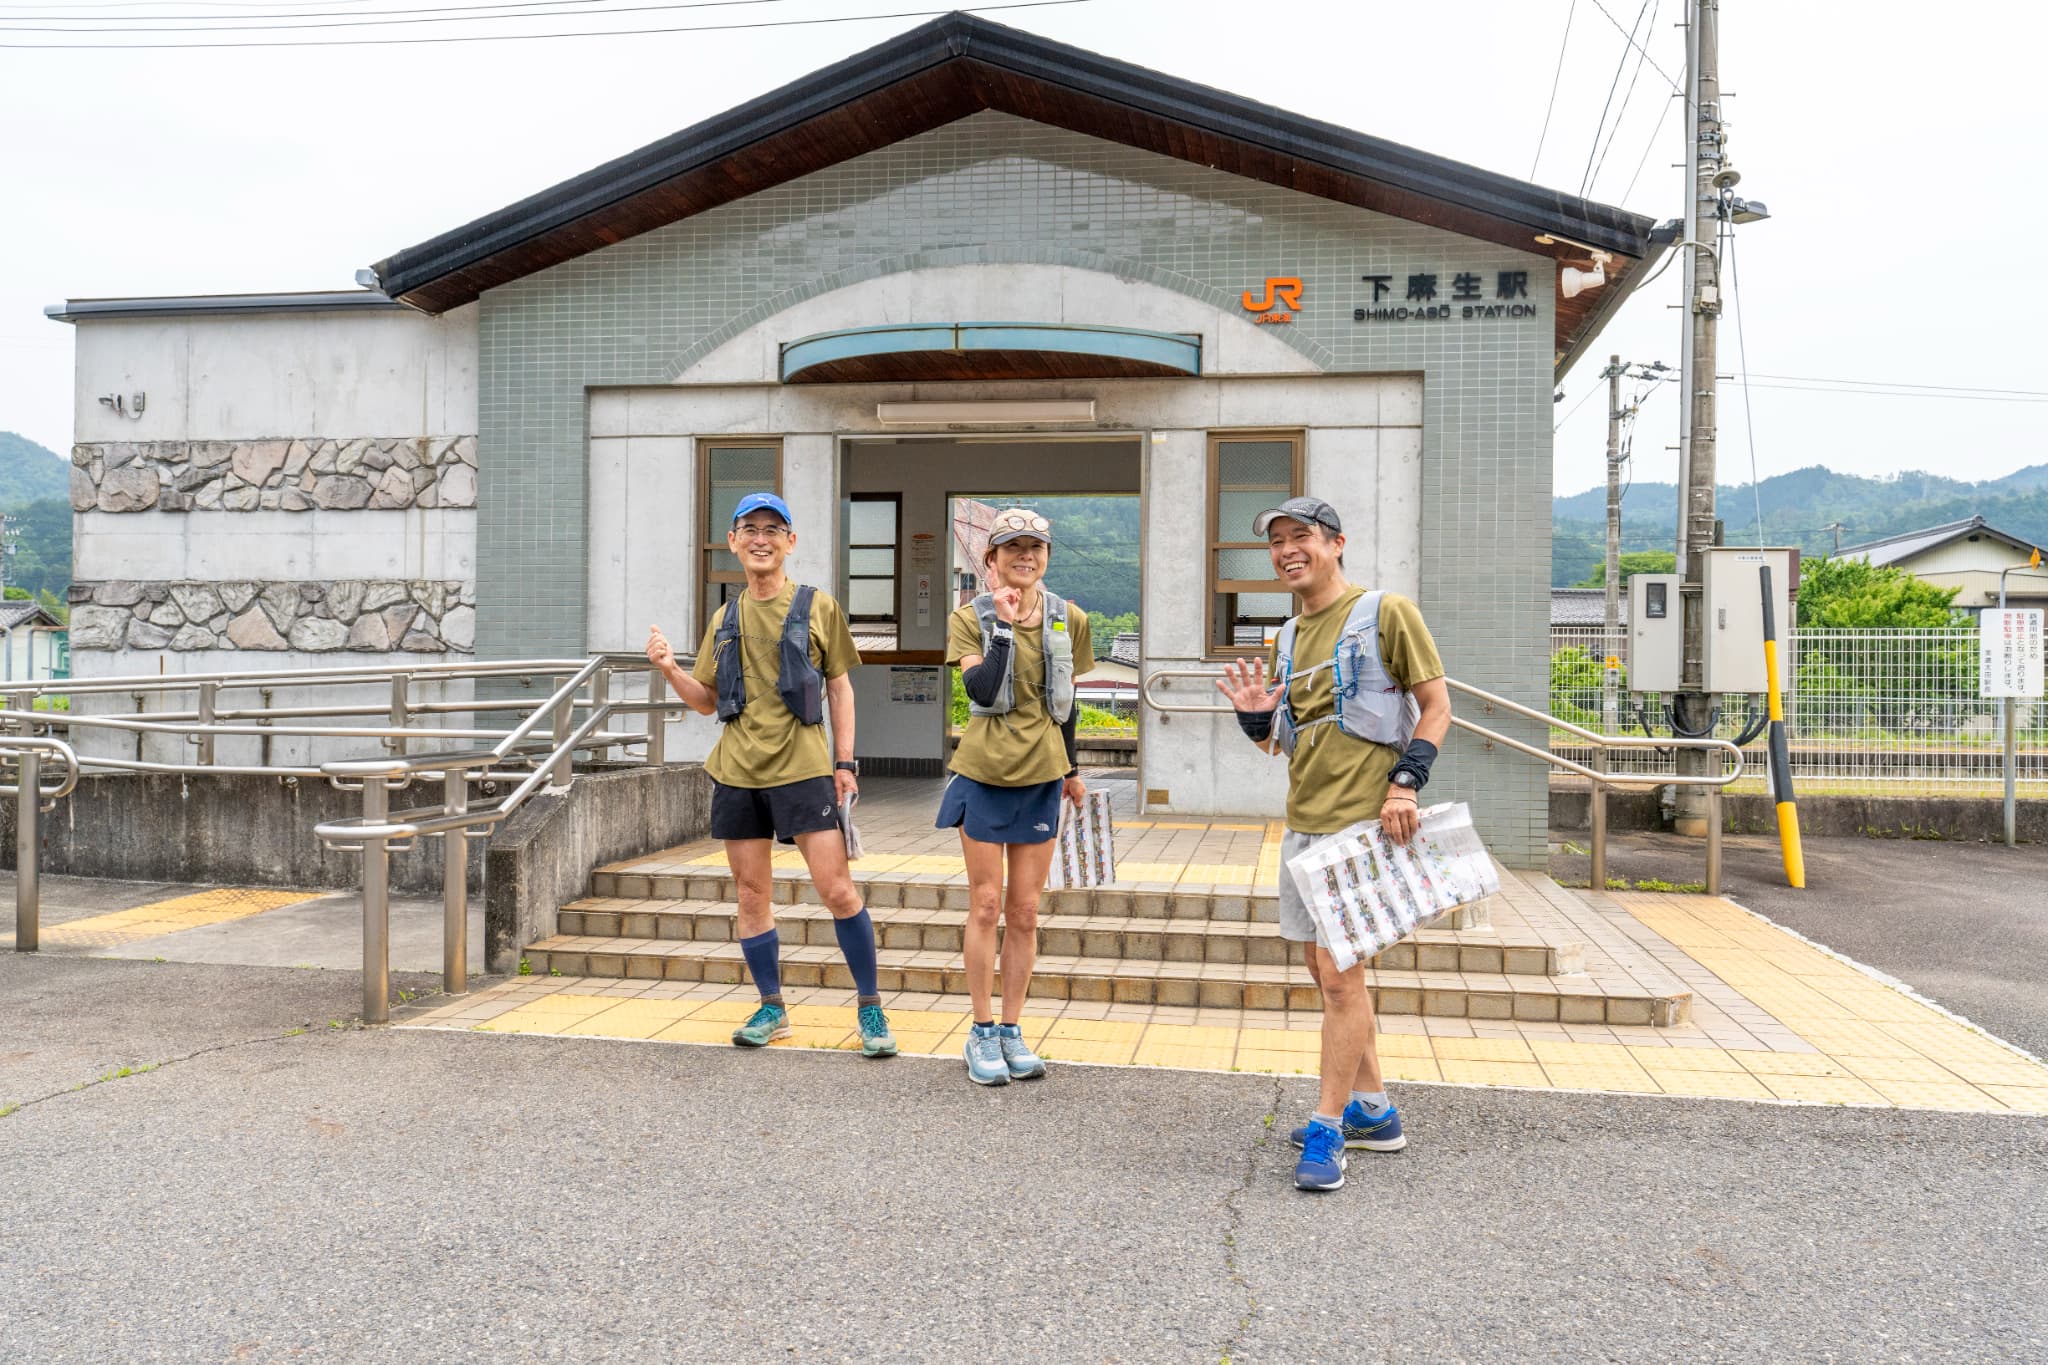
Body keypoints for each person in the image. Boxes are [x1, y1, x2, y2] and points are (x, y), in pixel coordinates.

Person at [1215, 495, 1452, 1191]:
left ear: (1336, 543)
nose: (1287, 549)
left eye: (1302, 537)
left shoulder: (1385, 612)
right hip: (1305, 821)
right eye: (1277, 541)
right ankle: (1375, 1110)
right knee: (1327, 974)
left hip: (1366, 822)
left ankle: (1327, 1127)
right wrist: (1253, 719)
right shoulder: (1287, 637)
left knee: (1340, 973)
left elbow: (1436, 705)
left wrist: (1406, 783)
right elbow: (1280, 743)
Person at [644, 491, 896, 1059]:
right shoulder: (725, 616)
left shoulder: (816, 606)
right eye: (749, 529)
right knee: (752, 892)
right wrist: (668, 669)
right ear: (733, 541)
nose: (761, 538)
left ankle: (871, 1008)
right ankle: (772, 1006)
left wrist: (845, 763)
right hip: (737, 772)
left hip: (804, 770)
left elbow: (839, 687)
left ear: (790, 541)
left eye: (772, 529)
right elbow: (706, 700)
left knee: (836, 889)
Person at [941, 507, 1093, 1086]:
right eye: (1012, 548)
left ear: (1047, 555)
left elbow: (1069, 699)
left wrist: (1073, 770)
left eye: (1035, 547)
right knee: (985, 903)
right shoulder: (970, 617)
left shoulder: (1069, 618)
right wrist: (1002, 626)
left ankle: (1011, 1028)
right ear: (992, 558)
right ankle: (980, 1031)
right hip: (982, 772)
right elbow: (979, 687)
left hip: (1043, 775)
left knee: (1025, 911)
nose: (1024, 556)